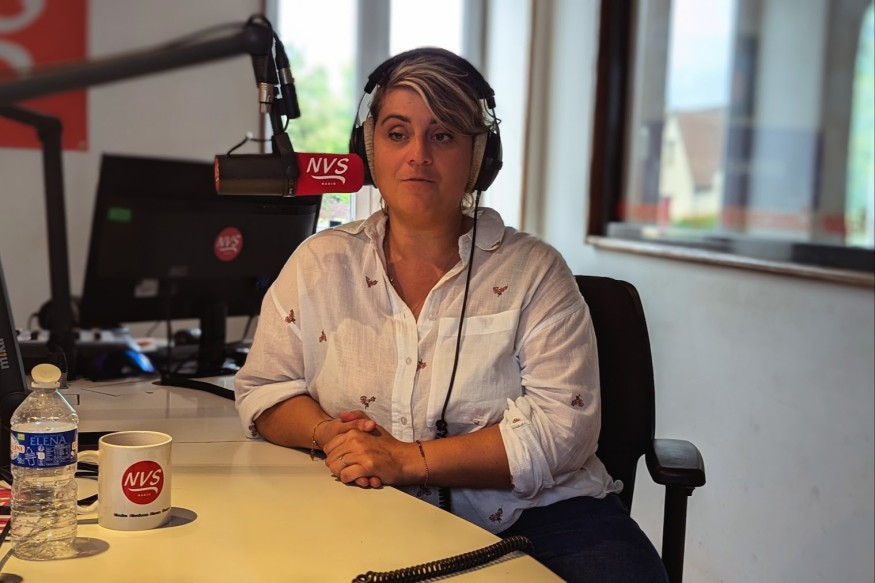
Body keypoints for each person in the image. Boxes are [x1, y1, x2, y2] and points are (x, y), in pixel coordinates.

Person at [234, 47, 668, 583]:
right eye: (397, 133)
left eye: (442, 136)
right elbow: (266, 387)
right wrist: (330, 436)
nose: (418, 154)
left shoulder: (536, 271)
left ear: (478, 157)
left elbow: (564, 428)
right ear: (370, 148)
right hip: (366, 504)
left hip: (544, 515)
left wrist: (406, 459)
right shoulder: (319, 263)